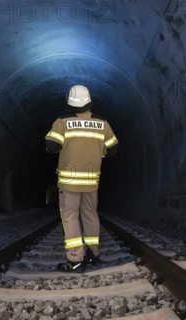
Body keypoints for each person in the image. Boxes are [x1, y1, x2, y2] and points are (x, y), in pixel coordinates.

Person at [45, 85, 118, 272]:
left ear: (70, 103)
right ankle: (93, 254)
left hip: (69, 182)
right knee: (90, 215)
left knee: (70, 217)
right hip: (91, 182)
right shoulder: (102, 123)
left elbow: (51, 145)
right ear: (89, 102)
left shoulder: (62, 122)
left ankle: (76, 259)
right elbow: (112, 148)